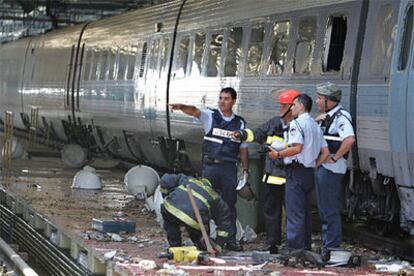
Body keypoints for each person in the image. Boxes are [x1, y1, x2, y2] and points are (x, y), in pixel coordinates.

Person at [169, 87, 248, 251]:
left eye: (226, 99)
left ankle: (229, 240)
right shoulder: (210, 116)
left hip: (229, 169)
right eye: (220, 98)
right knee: (205, 202)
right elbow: (195, 111)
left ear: (233, 101)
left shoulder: (239, 123)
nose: (222, 101)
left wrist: (245, 169)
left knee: (229, 205)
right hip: (211, 166)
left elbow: (243, 148)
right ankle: (204, 239)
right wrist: (181, 107)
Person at [232, 89, 301, 253]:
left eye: (284, 106)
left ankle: (294, 245)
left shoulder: (299, 126)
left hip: (291, 176)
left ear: (293, 107)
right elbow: (258, 133)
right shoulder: (274, 123)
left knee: (293, 213)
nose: (281, 109)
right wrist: (242, 134)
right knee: (271, 211)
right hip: (273, 176)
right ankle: (272, 243)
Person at [268, 94, 329, 250]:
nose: (292, 108)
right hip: (308, 173)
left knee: (295, 213)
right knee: (306, 213)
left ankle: (295, 249)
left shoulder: (297, 124)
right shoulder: (315, 125)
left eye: (294, 105)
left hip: (295, 172)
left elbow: (297, 148)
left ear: (301, 106)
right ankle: (305, 248)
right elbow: (326, 152)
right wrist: (314, 165)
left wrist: (278, 154)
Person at [314, 82, 355, 260]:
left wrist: (335, 157)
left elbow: (349, 140)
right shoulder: (327, 117)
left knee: (329, 209)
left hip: (331, 169)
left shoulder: (341, 117)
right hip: (324, 168)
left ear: (329, 101)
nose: (317, 101)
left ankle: (331, 247)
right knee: (324, 209)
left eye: (320, 98)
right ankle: (328, 246)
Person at [160, 173, 232, 250]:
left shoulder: (189, 179)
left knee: (171, 224)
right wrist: (219, 244)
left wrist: (167, 195)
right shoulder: (216, 199)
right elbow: (224, 226)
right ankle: (203, 247)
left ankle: (175, 248)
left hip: (171, 207)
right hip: (195, 217)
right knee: (197, 232)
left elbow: (166, 179)